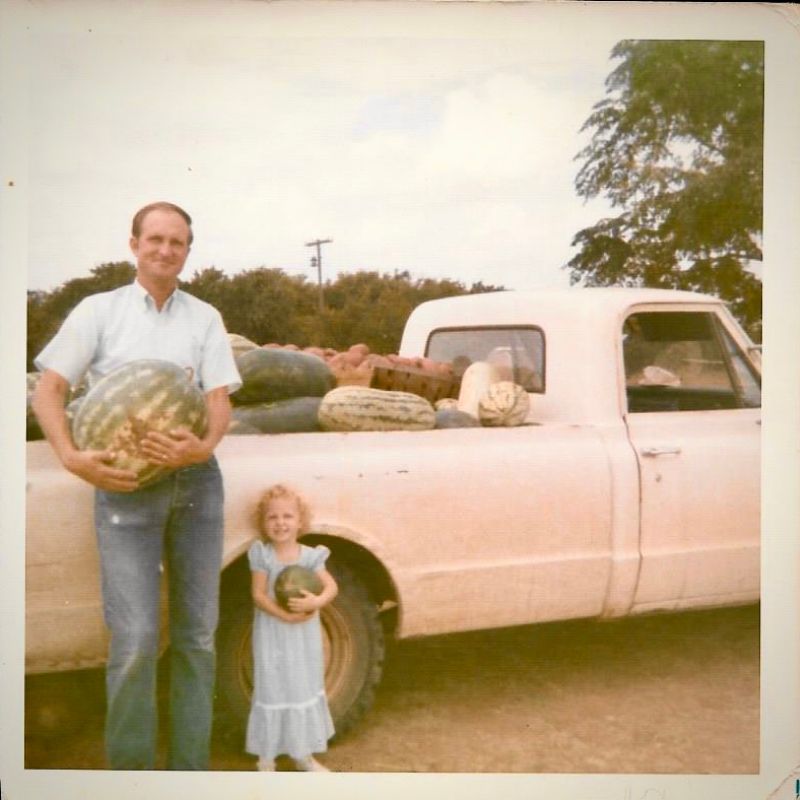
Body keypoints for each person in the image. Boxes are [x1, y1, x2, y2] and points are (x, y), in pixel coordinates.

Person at [31, 201, 242, 770]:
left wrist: (203, 446)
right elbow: (47, 391)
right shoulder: (97, 312)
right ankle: (131, 776)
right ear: (134, 244)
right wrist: (73, 459)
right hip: (124, 486)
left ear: (188, 252)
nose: (165, 250)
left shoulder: (204, 317)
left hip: (197, 483)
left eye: (178, 242)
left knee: (198, 635)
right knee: (135, 642)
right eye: (156, 239)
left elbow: (219, 401)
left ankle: (189, 771)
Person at [246, 484, 338, 772]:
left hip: (303, 636)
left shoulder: (311, 556)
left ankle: (302, 755)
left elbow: (332, 586)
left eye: (287, 516)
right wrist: (283, 616)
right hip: (273, 633)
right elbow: (259, 595)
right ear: (263, 523)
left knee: (301, 686)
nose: (280, 523)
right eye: (272, 517)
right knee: (272, 687)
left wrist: (317, 601)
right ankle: (266, 757)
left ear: (301, 521)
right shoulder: (263, 555)